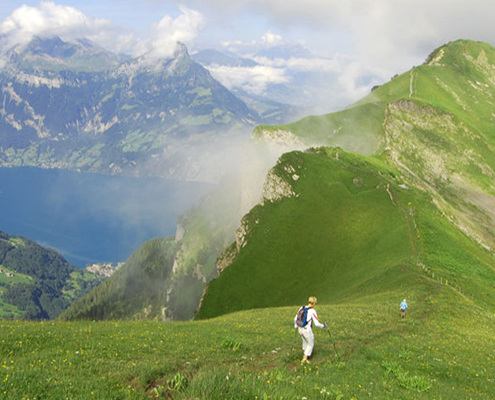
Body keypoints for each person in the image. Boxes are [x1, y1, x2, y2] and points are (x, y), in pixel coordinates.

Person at [294, 296, 327, 363]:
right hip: (307, 329)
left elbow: (295, 318)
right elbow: (317, 324)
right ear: (314, 303)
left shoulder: (302, 308)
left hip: (300, 328)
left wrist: (296, 326)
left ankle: (305, 354)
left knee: (305, 341)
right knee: (310, 343)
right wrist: (323, 325)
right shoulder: (312, 311)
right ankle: (304, 359)